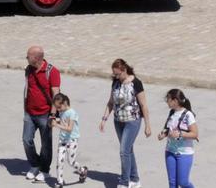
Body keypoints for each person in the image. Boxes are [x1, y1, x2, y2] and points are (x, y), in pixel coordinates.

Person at [99, 58, 151, 188]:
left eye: (118, 74)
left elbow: (143, 105)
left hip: (132, 121)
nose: (116, 76)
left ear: (124, 70)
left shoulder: (136, 83)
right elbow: (111, 103)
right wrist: (104, 119)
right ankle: (135, 179)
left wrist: (147, 125)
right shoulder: (116, 83)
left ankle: (124, 181)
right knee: (128, 150)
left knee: (123, 151)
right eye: (114, 74)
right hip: (118, 121)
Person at [23, 45, 60, 183]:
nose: (26, 58)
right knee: (26, 140)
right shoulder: (28, 70)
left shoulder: (52, 71)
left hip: (45, 114)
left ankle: (45, 170)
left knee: (46, 144)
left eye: (28, 56)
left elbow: (56, 95)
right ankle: (35, 164)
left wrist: (52, 115)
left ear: (36, 58)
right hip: (30, 113)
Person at [157, 89, 199, 188]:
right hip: (170, 151)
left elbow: (195, 134)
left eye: (168, 99)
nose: (167, 101)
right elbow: (169, 129)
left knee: (183, 182)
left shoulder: (188, 115)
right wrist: (164, 134)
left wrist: (180, 134)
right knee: (172, 183)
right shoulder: (172, 112)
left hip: (184, 153)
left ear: (175, 101)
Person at [50, 93, 87, 185]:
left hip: (72, 140)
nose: (58, 110)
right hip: (62, 140)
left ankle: (82, 170)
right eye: (56, 107)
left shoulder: (72, 113)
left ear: (65, 103)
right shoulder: (62, 112)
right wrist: (55, 121)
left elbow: (69, 128)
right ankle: (60, 181)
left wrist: (56, 125)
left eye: (59, 107)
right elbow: (62, 121)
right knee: (59, 161)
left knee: (71, 162)